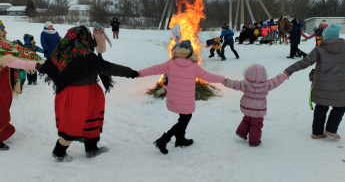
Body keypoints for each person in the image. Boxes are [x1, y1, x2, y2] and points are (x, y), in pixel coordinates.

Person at [38, 25, 138, 161]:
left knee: (91, 120)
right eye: (88, 35)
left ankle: (91, 149)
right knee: (72, 124)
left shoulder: (60, 52)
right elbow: (109, 68)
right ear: (82, 37)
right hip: (78, 96)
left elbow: (47, 67)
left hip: (83, 95)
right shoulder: (85, 56)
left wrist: (38, 66)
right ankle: (58, 152)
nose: (90, 37)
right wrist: (130, 72)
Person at [138, 40, 225, 154]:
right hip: (186, 100)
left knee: (183, 118)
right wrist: (223, 79)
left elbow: (154, 69)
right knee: (185, 119)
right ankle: (164, 139)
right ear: (190, 52)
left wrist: (139, 73)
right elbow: (208, 77)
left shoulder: (171, 63)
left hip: (174, 99)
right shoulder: (194, 66)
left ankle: (180, 139)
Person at [284, 24, 345, 140]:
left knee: (321, 107)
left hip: (321, 84)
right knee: (340, 106)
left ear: (325, 37)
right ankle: (331, 129)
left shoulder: (319, 49)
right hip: (340, 85)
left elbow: (305, 62)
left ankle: (317, 132)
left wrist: (289, 70)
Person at [0, 20, 45, 150]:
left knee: (4, 108)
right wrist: (36, 65)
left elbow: (21, 53)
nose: (6, 32)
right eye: (3, 30)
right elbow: (13, 62)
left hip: (4, 85)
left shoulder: (6, 45)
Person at [223, 64, 288, 146]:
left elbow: (236, 84)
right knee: (256, 125)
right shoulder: (266, 84)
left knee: (247, 119)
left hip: (247, 107)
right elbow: (275, 81)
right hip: (258, 110)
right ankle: (254, 142)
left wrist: (225, 81)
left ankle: (241, 132)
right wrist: (284, 76)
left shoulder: (245, 83)